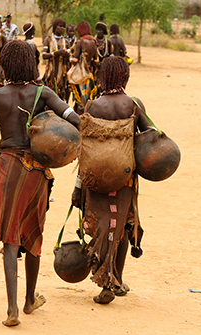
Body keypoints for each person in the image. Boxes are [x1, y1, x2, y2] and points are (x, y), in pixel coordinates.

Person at [0, 40, 80, 327]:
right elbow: (73, 119)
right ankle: (30, 300)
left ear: (5, 63)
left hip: (7, 168)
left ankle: (12, 309)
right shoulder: (45, 94)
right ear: (31, 63)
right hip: (37, 171)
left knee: (9, 237)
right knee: (33, 233)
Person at [71, 56, 150, 304]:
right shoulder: (134, 105)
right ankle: (116, 279)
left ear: (102, 77)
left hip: (94, 178)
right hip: (124, 179)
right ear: (125, 77)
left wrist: (77, 187)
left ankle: (104, 280)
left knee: (100, 226)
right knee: (123, 226)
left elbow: (84, 148)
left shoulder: (92, 106)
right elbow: (149, 136)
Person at [71, 20, 98, 113]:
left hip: (80, 75)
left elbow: (75, 61)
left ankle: (81, 117)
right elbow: (96, 61)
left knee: (80, 98)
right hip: (89, 74)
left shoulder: (80, 42)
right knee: (88, 97)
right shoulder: (94, 42)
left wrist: (68, 57)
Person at [42, 19, 70, 101]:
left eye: (64, 27)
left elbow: (70, 56)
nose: (62, 28)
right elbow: (44, 56)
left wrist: (67, 54)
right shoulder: (48, 39)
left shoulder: (66, 41)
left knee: (62, 95)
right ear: (55, 27)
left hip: (62, 74)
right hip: (51, 73)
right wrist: (55, 53)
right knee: (50, 95)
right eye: (60, 26)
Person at [94, 22, 112, 95]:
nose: (98, 32)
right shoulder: (93, 41)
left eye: (100, 30)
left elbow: (110, 54)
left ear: (104, 31)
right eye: (97, 30)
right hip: (94, 67)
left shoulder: (108, 42)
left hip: (105, 67)